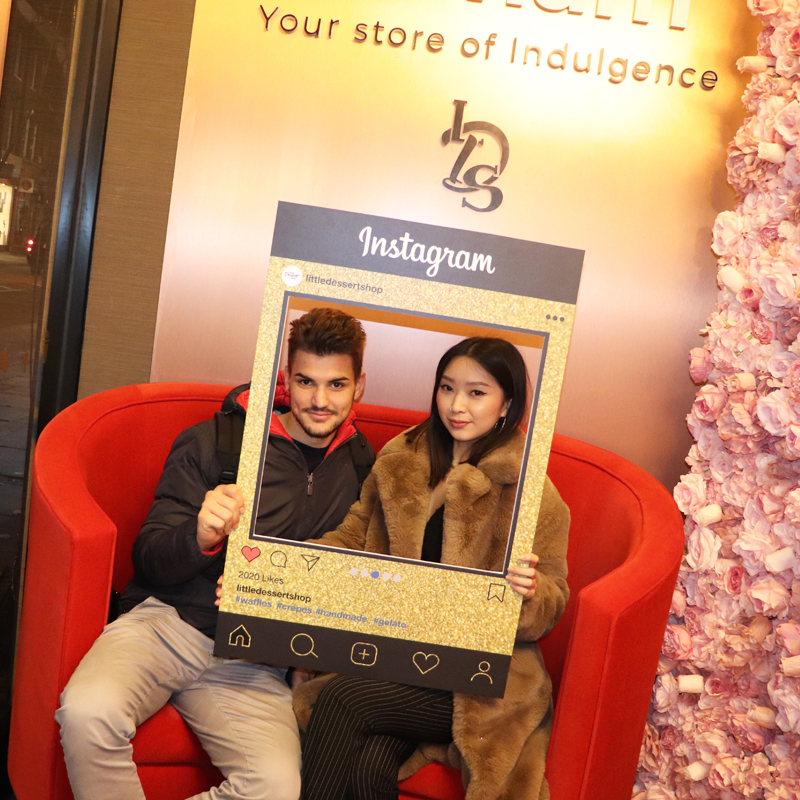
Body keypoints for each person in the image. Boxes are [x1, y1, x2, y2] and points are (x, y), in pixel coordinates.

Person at [56, 307, 374, 800]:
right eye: (306, 381)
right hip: (167, 625)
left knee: (275, 789)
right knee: (86, 712)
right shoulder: (220, 442)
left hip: (254, 659)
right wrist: (199, 535)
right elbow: (149, 558)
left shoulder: (362, 469)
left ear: (358, 387)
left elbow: (360, 582)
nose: (318, 399)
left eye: (336, 385)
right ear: (287, 379)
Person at [294, 336, 571, 800]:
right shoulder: (401, 458)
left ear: (507, 403)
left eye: (477, 393)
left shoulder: (532, 493)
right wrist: (289, 572)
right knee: (367, 767)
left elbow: (554, 598)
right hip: (395, 655)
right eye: (447, 388)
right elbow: (353, 536)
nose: (457, 405)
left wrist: (531, 590)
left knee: (343, 701)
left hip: (480, 679)